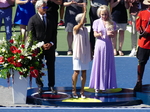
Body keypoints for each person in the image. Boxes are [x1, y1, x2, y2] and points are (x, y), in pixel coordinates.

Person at [27, 0, 56, 93]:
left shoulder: (51, 18)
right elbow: (31, 35)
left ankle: (51, 85)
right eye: (44, 8)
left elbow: (54, 33)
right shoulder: (33, 19)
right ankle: (39, 85)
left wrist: (51, 43)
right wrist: (40, 45)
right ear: (38, 8)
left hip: (50, 47)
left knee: (51, 66)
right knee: (38, 66)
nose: (45, 9)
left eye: (46, 7)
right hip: (38, 48)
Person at [89, 5, 117, 94]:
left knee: (107, 64)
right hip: (99, 45)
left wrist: (111, 34)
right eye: (102, 15)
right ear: (99, 14)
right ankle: (97, 85)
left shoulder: (112, 23)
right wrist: (102, 33)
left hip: (108, 45)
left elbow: (114, 35)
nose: (104, 16)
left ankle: (105, 85)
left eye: (105, 14)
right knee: (99, 64)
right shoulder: (96, 22)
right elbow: (94, 34)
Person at [72, 6, 91, 98]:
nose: (86, 19)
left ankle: (82, 91)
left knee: (84, 72)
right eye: (84, 18)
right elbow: (80, 23)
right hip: (78, 54)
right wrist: (85, 11)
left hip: (85, 54)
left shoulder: (86, 29)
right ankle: (74, 90)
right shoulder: (76, 28)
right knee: (76, 72)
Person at [133, 0, 150, 92]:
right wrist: (143, 32)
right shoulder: (142, 13)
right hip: (144, 42)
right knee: (141, 62)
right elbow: (138, 27)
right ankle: (139, 82)